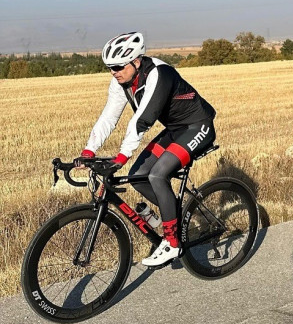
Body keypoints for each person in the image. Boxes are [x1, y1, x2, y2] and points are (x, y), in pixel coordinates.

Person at [79, 32, 217, 267]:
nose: (114, 72)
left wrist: (122, 155)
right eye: (110, 68)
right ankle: (173, 217)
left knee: (156, 174)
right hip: (175, 129)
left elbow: (142, 120)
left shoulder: (159, 74)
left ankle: (173, 243)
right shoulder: (120, 82)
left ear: (135, 61)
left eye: (118, 66)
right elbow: (109, 117)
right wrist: (88, 150)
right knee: (137, 176)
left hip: (198, 126)